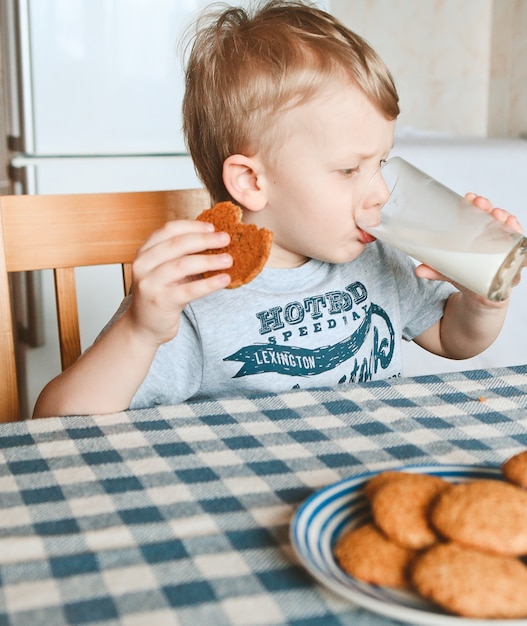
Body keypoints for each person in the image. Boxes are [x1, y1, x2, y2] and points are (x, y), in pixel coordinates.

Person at [33, 0, 523, 418]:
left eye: (382, 162)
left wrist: (482, 300)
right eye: (349, 170)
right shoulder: (198, 290)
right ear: (251, 182)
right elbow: (56, 421)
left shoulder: (375, 258)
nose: (380, 193)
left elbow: (451, 339)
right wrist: (139, 332)